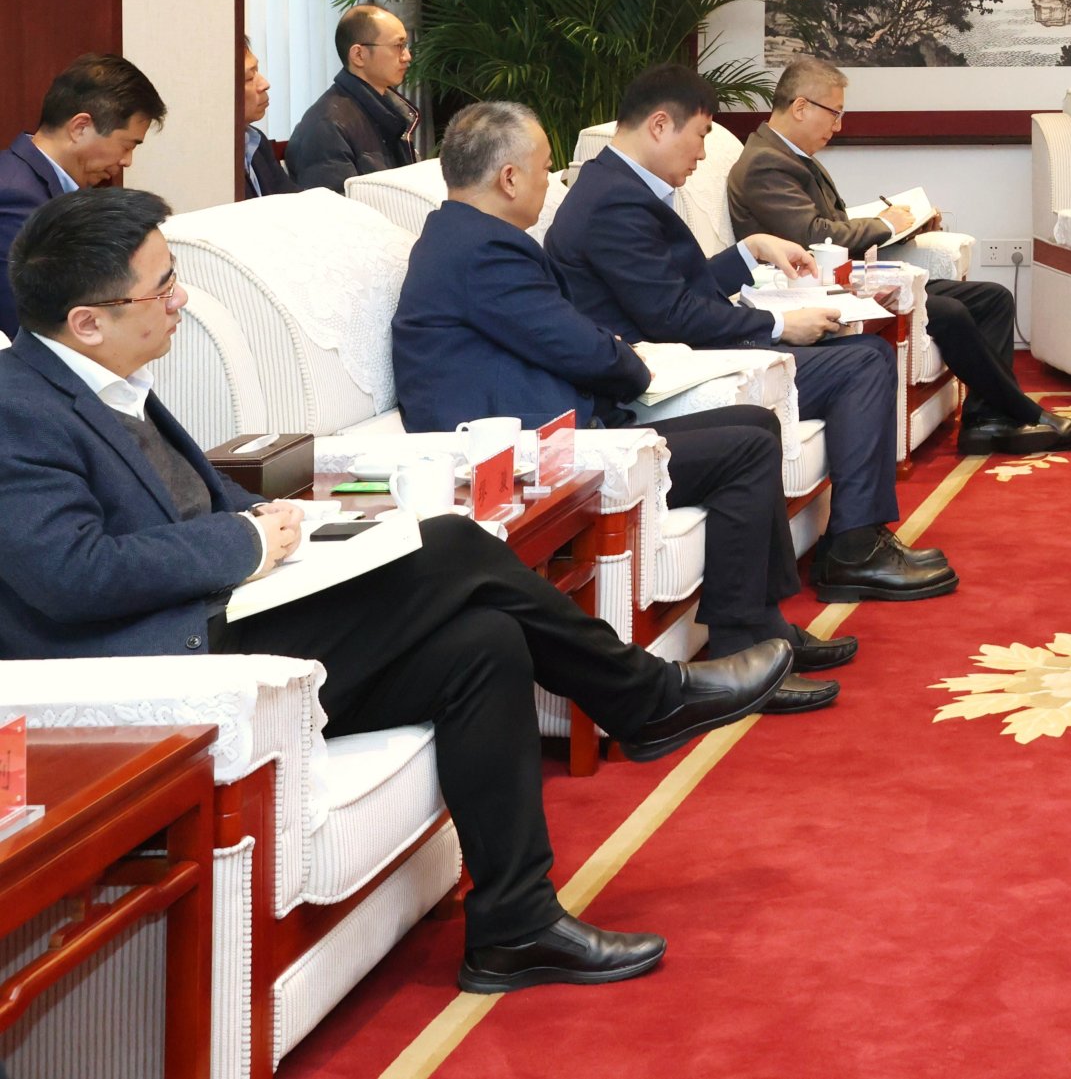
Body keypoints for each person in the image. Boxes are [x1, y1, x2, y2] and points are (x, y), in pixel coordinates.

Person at [0, 188, 793, 992]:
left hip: (228, 620)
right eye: (163, 286)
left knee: (484, 643)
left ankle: (515, 927)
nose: (181, 300)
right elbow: (72, 573)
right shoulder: (17, 408)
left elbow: (204, 499)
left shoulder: (111, 379)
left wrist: (292, 521)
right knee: (452, 544)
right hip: (170, 666)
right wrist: (245, 541)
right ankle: (645, 698)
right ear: (87, 321)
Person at [396, 102, 843, 713]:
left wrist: (616, 355)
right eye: (544, 168)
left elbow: (564, 333)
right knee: (745, 447)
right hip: (531, 457)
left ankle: (764, 626)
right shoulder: (481, 251)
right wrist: (632, 364)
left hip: (562, 432)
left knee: (754, 425)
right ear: (509, 179)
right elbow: (577, 344)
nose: (550, 181)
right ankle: (743, 638)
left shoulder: (467, 238)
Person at [550, 65, 951, 603]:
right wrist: (781, 324)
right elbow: (673, 317)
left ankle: (858, 539)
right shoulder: (614, 202)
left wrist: (749, 249)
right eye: (700, 136)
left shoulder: (622, 187)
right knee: (862, 362)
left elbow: (677, 290)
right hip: (670, 372)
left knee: (861, 353)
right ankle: (854, 549)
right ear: (660, 125)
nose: (701, 155)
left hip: (688, 349)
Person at [730, 56, 1071, 458]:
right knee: (949, 312)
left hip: (843, 280)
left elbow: (830, 227)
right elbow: (813, 236)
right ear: (800, 107)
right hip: (810, 295)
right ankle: (1024, 412)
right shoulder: (765, 163)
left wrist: (905, 225)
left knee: (993, 298)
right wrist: (885, 224)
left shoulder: (791, 156)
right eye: (834, 113)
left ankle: (985, 421)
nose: (838, 126)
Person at [0, 54, 166, 337]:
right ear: (80, 128)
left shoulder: (54, 189)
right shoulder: (17, 197)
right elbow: (33, 325)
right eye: (127, 145)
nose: (127, 161)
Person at [287, 3, 420, 192]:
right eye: (398, 46)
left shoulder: (390, 110)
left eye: (405, 46)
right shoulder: (326, 126)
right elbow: (336, 206)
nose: (407, 56)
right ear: (358, 55)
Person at [238, 39, 292, 197]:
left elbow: (290, 199)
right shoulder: (212, 160)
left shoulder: (256, 140)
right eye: (250, 78)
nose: (265, 84)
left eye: (257, 71)